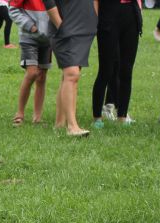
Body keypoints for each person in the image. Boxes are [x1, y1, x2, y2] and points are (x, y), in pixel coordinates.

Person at [44, 0, 98, 136]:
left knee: (68, 76)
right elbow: (48, 2)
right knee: (72, 74)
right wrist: (60, 26)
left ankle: (59, 124)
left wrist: (94, 19)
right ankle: (72, 127)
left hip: (84, 28)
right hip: (65, 29)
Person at [91, 0, 142, 128]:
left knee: (127, 70)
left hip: (131, 13)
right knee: (106, 70)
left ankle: (122, 117)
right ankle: (97, 118)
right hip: (108, 13)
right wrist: (95, 22)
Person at [10, 0, 53, 125]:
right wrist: (31, 27)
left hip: (48, 39)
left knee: (42, 77)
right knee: (32, 73)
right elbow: (13, 9)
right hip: (28, 37)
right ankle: (19, 113)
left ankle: (37, 117)